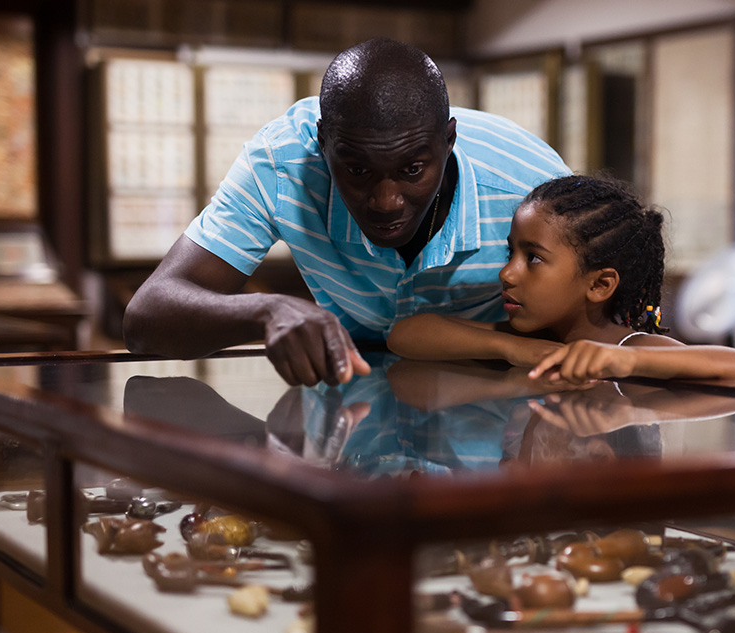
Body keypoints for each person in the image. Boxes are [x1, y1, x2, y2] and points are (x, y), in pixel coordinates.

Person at [123, 38, 571, 387]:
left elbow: (595, 321)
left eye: (412, 169)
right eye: (357, 169)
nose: (385, 201)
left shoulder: (533, 188)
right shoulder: (281, 163)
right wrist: (266, 310)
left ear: (448, 140)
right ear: (322, 143)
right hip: (351, 425)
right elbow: (146, 320)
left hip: (493, 419)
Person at [387, 175, 735, 385]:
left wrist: (627, 361)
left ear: (600, 285)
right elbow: (404, 334)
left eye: (533, 258)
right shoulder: (528, 342)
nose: (507, 272)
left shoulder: (629, 347)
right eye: (512, 254)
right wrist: (510, 348)